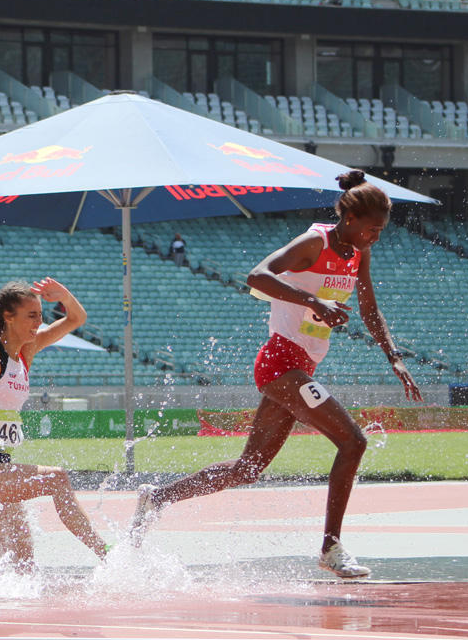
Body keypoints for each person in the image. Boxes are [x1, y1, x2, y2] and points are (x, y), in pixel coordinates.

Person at [131, 170, 422, 578]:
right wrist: (312, 299)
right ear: (351, 220)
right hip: (280, 363)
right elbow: (257, 276)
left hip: (301, 366)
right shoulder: (314, 242)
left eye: (381, 231)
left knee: (248, 469)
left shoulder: (358, 251)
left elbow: (370, 308)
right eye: (373, 229)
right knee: (353, 442)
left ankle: (157, 497)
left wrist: (394, 356)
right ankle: (331, 547)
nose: (377, 237)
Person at [0, 278, 109, 568]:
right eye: (32, 316)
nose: (38, 323)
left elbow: (77, 319)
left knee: (21, 563)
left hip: (1, 466)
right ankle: (106, 552)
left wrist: (65, 295)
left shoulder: (25, 352)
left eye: (41, 316)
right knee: (57, 478)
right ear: (9, 316)